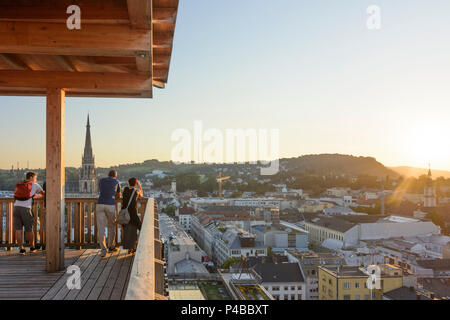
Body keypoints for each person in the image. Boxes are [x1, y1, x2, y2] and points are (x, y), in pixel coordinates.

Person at [13, 171, 45, 255]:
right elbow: (44, 194)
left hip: (16, 207)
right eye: (35, 178)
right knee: (29, 229)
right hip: (26, 209)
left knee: (18, 229)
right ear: (31, 177)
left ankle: (21, 249)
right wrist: (38, 196)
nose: (36, 180)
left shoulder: (20, 184)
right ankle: (32, 247)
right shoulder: (35, 185)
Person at [97, 170, 121, 257]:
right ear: (115, 176)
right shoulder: (116, 182)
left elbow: (101, 190)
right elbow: (118, 194)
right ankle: (111, 246)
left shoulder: (101, 180)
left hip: (100, 204)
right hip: (110, 204)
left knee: (101, 228)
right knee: (112, 226)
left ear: (108, 175)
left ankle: (103, 250)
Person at [122, 177, 143, 254]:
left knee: (128, 230)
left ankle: (130, 248)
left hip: (125, 213)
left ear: (129, 183)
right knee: (140, 228)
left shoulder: (125, 190)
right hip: (133, 213)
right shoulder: (136, 191)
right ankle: (135, 246)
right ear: (135, 184)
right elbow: (141, 194)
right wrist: (139, 185)